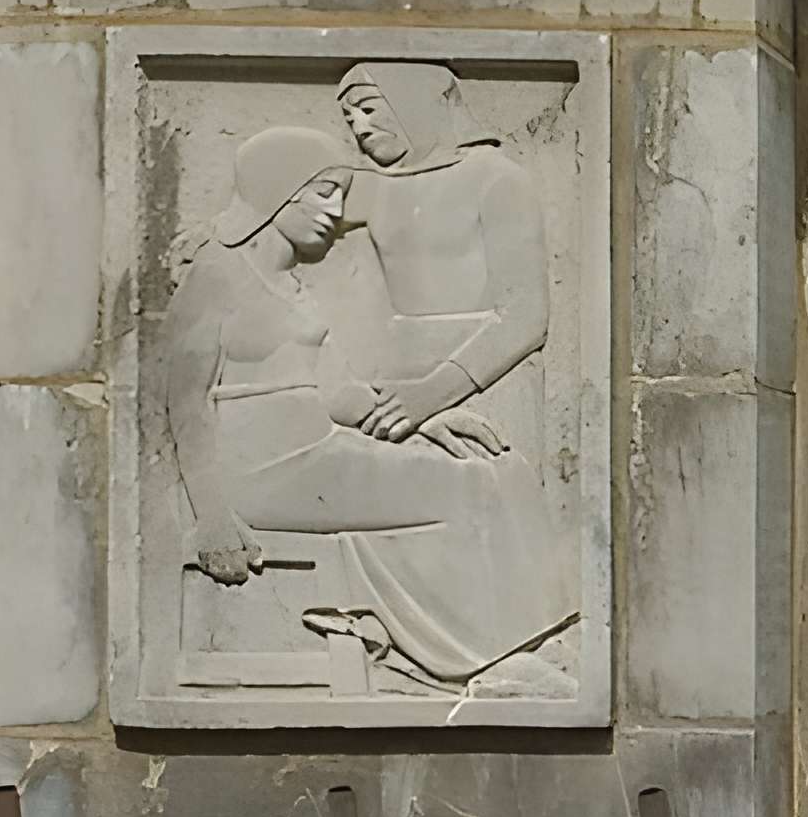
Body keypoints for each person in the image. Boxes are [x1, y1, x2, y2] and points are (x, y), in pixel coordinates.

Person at [160, 126, 571, 689]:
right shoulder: (216, 276)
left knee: (499, 468)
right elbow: (185, 402)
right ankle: (481, 660)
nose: (336, 211)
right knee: (466, 490)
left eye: (341, 195)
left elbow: (341, 393)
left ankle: (538, 645)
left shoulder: (290, 286)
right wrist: (212, 519)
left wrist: (426, 420)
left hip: (317, 452)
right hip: (264, 468)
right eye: (324, 191)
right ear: (279, 191)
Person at [333, 63, 550, 444]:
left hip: (485, 382)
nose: (359, 127)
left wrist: (431, 394)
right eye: (349, 117)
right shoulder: (376, 187)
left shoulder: (496, 179)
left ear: (415, 98)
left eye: (368, 109)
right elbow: (284, 222)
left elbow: (526, 317)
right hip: (391, 390)